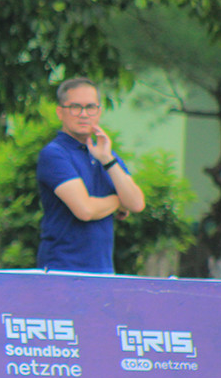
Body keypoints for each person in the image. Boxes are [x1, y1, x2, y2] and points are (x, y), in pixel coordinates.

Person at [36, 78, 146, 273]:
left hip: (103, 272)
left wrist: (107, 160)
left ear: (99, 111)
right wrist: (117, 202)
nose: (84, 114)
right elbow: (85, 210)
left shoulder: (104, 153)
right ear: (60, 112)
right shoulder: (55, 153)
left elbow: (136, 203)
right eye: (75, 107)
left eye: (91, 107)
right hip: (62, 271)